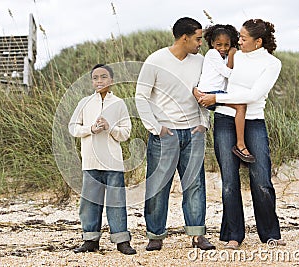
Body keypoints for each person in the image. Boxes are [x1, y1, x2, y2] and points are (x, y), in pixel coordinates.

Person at [198, 19, 285, 249]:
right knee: (229, 181)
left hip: (254, 122)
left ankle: (270, 235)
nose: (239, 40)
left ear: (258, 41)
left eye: (244, 38)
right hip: (225, 119)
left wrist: (216, 99)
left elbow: (254, 95)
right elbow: (214, 75)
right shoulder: (235, 54)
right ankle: (233, 235)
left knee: (262, 180)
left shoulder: (272, 63)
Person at [135, 17, 215, 251]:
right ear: (184, 38)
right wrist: (155, 127)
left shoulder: (199, 61)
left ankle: (198, 235)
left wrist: (203, 124)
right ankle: (155, 235)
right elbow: (141, 96)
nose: (200, 43)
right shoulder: (156, 60)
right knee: (158, 186)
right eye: (198, 38)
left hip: (193, 133)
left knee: (195, 184)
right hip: (164, 134)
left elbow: (204, 94)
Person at [69, 64, 136, 255]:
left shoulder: (119, 103)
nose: (99, 81)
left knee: (116, 201)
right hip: (90, 161)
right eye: (95, 78)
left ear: (111, 80)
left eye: (104, 77)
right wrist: (90, 129)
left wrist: (110, 127)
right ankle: (90, 240)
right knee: (90, 201)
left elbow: (125, 133)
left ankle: (122, 240)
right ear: (91, 81)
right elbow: (73, 128)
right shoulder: (84, 102)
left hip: (113, 161)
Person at [194, 24, 255, 163]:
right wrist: (233, 54)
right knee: (241, 107)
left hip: (217, 93)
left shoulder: (224, 57)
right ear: (212, 43)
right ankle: (240, 145)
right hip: (210, 93)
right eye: (218, 44)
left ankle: (239, 143)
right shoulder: (212, 54)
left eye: (226, 45)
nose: (223, 48)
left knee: (237, 109)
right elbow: (228, 73)